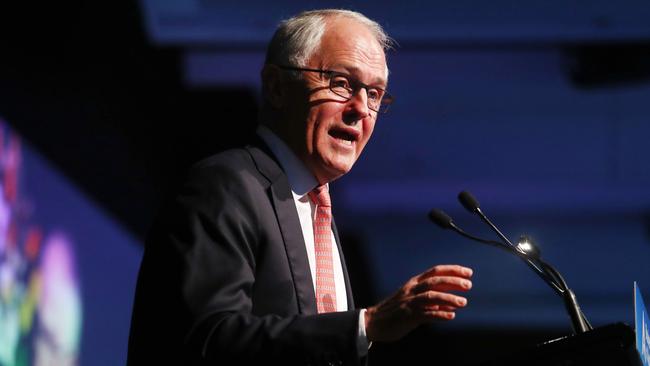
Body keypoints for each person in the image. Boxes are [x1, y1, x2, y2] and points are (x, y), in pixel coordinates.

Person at [126, 8, 473, 366]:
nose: (361, 109)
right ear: (277, 86)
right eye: (341, 83)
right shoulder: (225, 185)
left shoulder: (318, 211)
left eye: (374, 94)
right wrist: (365, 325)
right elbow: (208, 339)